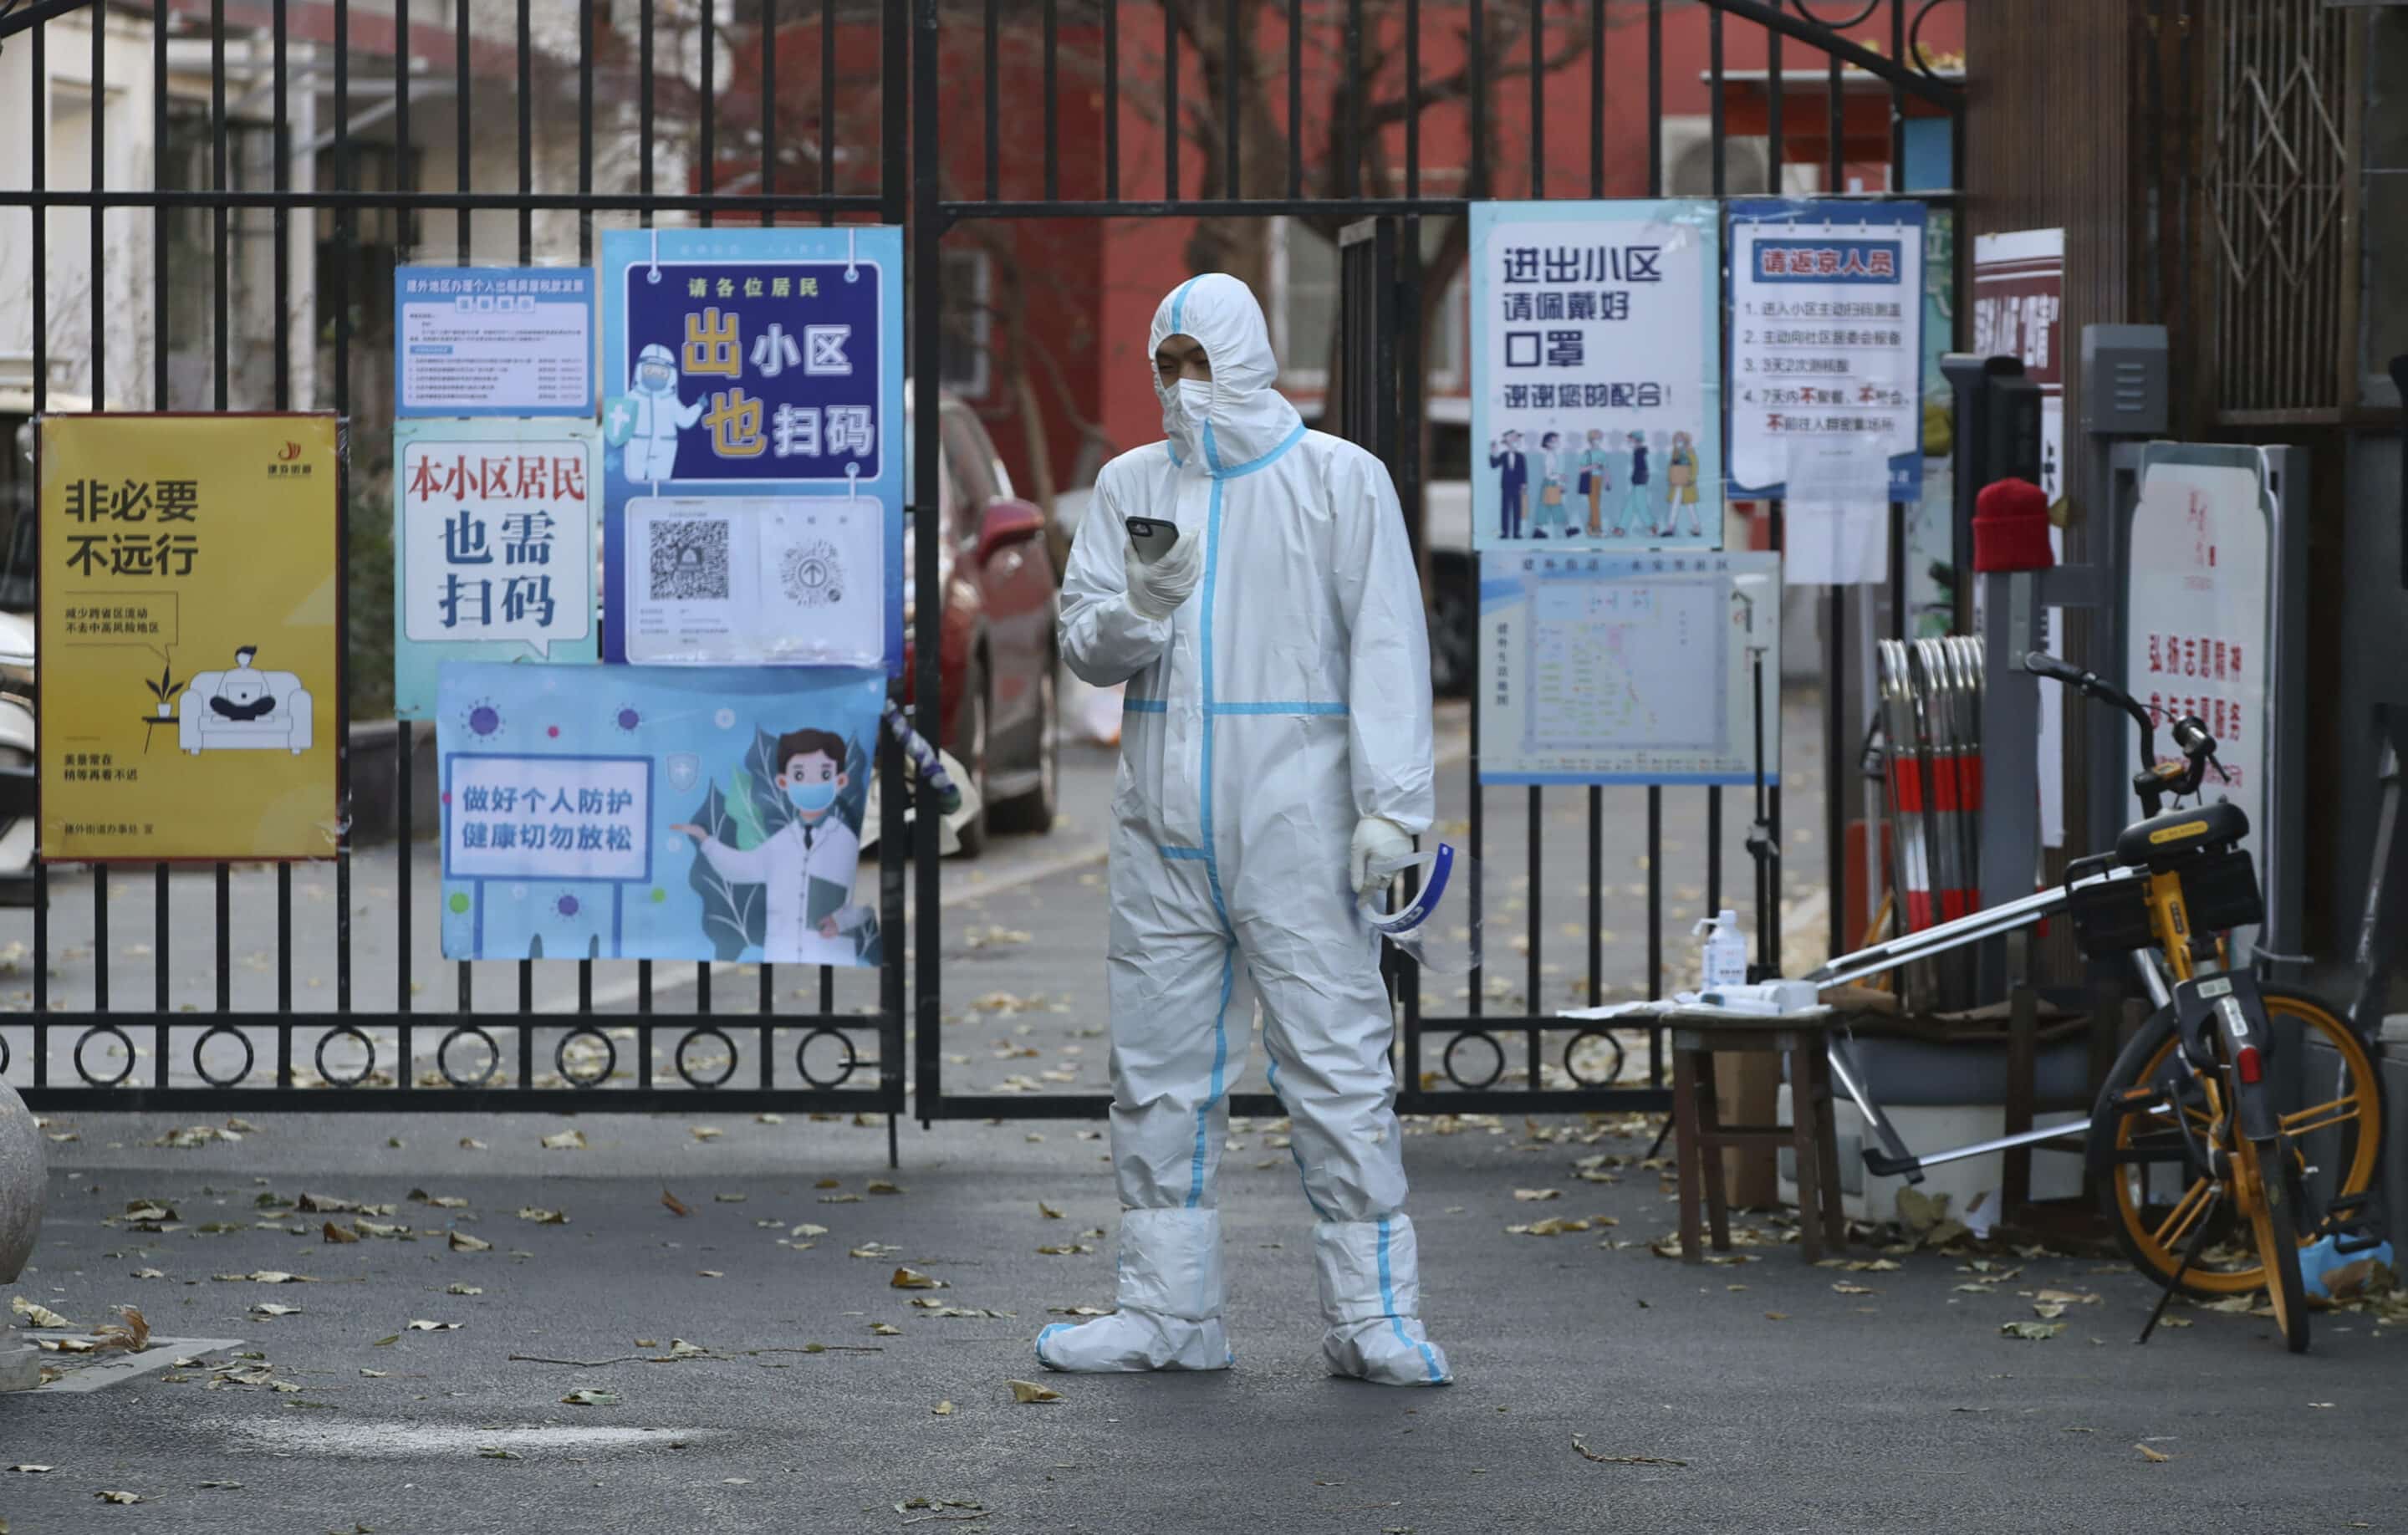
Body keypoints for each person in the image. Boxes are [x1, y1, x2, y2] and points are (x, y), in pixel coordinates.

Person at [1042, 273, 1450, 1387]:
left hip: (1299, 829)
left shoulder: (1336, 482)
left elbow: (1386, 649)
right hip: (1163, 832)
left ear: (1249, 359)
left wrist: (1391, 809)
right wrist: (1144, 609)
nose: (1179, 389)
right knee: (1159, 1075)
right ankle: (1168, 1313)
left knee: (1335, 1064)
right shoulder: (1130, 485)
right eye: (1163, 366)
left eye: (1197, 363)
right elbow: (1082, 645)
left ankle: (1375, 1316)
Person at [669, 727, 872, 966]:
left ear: (840, 781)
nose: (811, 783)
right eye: (799, 776)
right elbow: (742, 868)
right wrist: (707, 841)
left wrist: (843, 921)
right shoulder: (783, 840)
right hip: (782, 954)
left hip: (831, 953)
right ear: (783, 782)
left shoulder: (844, 838)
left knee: (827, 998)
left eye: (824, 775)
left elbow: (865, 898)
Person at [615, 342, 703, 483]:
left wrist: (698, 407)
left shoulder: (671, 400)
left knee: (661, 487)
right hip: (637, 445)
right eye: (650, 371)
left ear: (671, 375)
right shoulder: (631, 397)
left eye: (662, 372)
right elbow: (617, 424)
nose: (656, 375)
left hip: (665, 448)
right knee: (633, 484)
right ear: (639, 370)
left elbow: (684, 421)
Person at [207, 645, 275, 722]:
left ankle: (237, 714)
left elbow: (266, 695)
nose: (244, 659)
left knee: (270, 700)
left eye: (247, 657)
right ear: (237, 658)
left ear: (251, 659)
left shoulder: (258, 674)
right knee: (215, 700)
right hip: (233, 706)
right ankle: (247, 713)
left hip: (252, 706)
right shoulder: (229, 674)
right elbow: (220, 694)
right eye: (242, 657)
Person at [1487, 429, 1528, 540]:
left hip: (1517, 486)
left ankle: (1516, 533)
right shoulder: (1503, 455)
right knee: (1505, 510)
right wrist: (1493, 452)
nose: (1514, 442)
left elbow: (1523, 471)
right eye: (1511, 440)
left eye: (1516, 440)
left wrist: (1524, 484)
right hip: (1506, 486)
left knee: (1517, 510)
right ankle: (1505, 532)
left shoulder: (1521, 456)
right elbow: (1494, 465)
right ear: (1506, 443)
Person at [1664, 429, 1702, 538]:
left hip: (1687, 484)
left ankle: (1696, 528)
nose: (1678, 442)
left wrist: (1692, 478)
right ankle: (1670, 528)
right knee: (1675, 505)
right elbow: (1671, 466)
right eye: (1676, 440)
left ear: (1685, 440)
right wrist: (1670, 478)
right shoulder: (1675, 452)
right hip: (1677, 483)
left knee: (1690, 506)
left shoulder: (1690, 451)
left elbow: (1695, 466)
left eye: (1680, 440)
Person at [1614, 430, 1652, 538]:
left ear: (1636, 440)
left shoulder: (1639, 452)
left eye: (1630, 440)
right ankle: (1621, 529)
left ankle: (1651, 527)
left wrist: (1640, 479)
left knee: (1641, 505)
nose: (1628, 442)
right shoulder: (1637, 451)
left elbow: (1642, 469)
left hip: (1640, 481)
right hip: (1638, 481)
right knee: (1630, 506)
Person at [1532, 431, 1569, 539]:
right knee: (1556, 507)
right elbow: (1548, 474)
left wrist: (1559, 481)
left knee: (1546, 507)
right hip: (1550, 483)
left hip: (1550, 483)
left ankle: (1538, 530)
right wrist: (1560, 478)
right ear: (1547, 443)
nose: (1557, 443)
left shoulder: (1552, 454)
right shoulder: (1549, 456)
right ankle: (1567, 529)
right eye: (1555, 441)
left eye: (1558, 441)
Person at [1579, 429, 1611, 537]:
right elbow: (1581, 469)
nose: (1598, 441)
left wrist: (1607, 481)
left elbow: (1606, 469)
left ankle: (1590, 527)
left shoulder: (1603, 453)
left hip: (1599, 480)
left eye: (1599, 438)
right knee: (1595, 505)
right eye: (1595, 439)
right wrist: (1593, 466)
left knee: (1596, 504)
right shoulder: (1587, 453)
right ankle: (1598, 529)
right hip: (1590, 480)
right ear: (1590, 440)